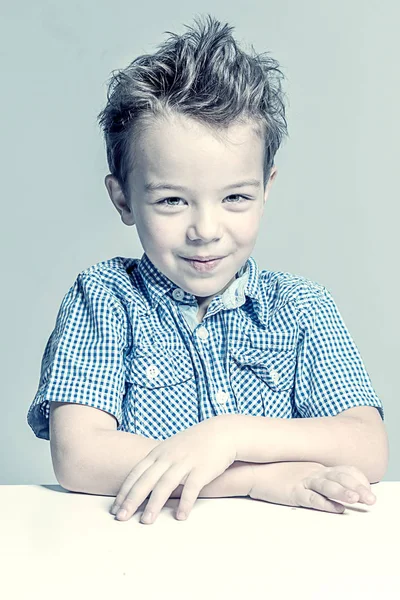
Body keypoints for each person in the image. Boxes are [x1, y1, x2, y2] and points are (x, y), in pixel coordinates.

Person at [27, 14, 388, 525]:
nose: (206, 229)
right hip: (134, 561)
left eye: (235, 197)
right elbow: (80, 458)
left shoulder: (303, 307)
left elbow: (367, 445)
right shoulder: (102, 298)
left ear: (266, 192)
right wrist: (258, 478)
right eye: (172, 200)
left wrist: (231, 434)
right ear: (123, 199)